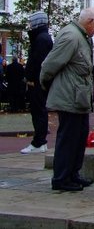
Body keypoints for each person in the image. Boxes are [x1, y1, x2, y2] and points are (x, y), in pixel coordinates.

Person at [40, 7, 94, 192]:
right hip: (69, 97)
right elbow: (50, 64)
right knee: (68, 138)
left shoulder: (82, 37)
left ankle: (73, 174)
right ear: (90, 21)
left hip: (79, 98)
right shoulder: (71, 36)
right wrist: (45, 83)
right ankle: (61, 178)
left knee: (78, 137)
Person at [20, 11, 53, 154]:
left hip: (37, 82)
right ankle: (39, 141)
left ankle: (39, 142)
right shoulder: (42, 38)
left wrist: (32, 79)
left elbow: (38, 62)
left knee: (38, 110)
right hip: (38, 81)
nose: (29, 25)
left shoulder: (41, 39)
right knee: (38, 110)